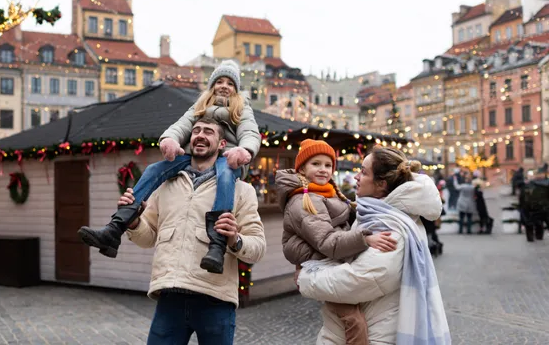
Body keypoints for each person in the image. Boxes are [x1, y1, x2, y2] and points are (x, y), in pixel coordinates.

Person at [78, 60, 261, 274]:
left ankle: (217, 244)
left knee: (226, 176)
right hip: (196, 155)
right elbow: (181, 126)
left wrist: (245, 151)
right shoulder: (200, 107)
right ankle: (115, 228)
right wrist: (170, 139)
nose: (224, 86)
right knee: (155, 169)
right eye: (219, 81)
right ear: (211, 86)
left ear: (236, 89)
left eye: (230, 83)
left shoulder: (241, 108)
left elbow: (250, 132)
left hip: (229, 158)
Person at [117, 116, 266, 344]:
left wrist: (235, 240)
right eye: (196, 130)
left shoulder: (241, 190)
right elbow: (148, 238)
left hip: (215, 300)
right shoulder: (166, 184)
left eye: (209, 132)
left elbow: (258, 248)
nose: (200, 135)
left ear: (222, 144)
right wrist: (135, 222)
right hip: (170, 297)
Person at [295, 146, 450, 344]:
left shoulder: (390, 226)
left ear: (381, 185)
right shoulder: (375, 213)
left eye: (364, 172)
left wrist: (306, 277)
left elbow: (361, 279)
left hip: (374, 334)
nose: (357, 177)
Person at [276, 140, 397, 345]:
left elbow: (342, 218)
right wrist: (364, 239)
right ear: (303, 169)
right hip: (320, 265)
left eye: (327, 165)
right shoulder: (305, 201)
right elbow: (327, 241)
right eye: (316, 164)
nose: (323, 170)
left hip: (328, 262)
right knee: (354, 322)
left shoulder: (327, 192)